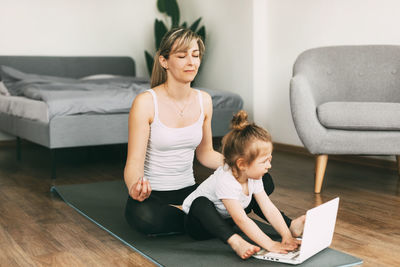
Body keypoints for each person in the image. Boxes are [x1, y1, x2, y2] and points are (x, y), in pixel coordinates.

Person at [123, 27, 304, 238]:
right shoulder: (146, 102)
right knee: (145, 217)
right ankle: (212, 220)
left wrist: (240, 166)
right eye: (182, 56)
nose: (191, 62)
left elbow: (205, 153)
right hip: (155, 195)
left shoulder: (204, 100)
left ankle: (287, 224)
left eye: (196, 55)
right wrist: (135, 186)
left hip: (191, 191)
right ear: (164, 61)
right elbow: (134, 163)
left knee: (262, 180)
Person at [182, 110, 304, 259]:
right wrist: (270, 244)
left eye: (269, 159)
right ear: (242, 164)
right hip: (200, 225)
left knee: (263, 187)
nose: (269, 165)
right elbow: (241, 219)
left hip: (226, 221)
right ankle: (236, 242)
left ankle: (289, 227)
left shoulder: (253, 175)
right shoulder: (226, 179)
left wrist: (286, 236)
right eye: (264, 161)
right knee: (200, 203)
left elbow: (269, 208)